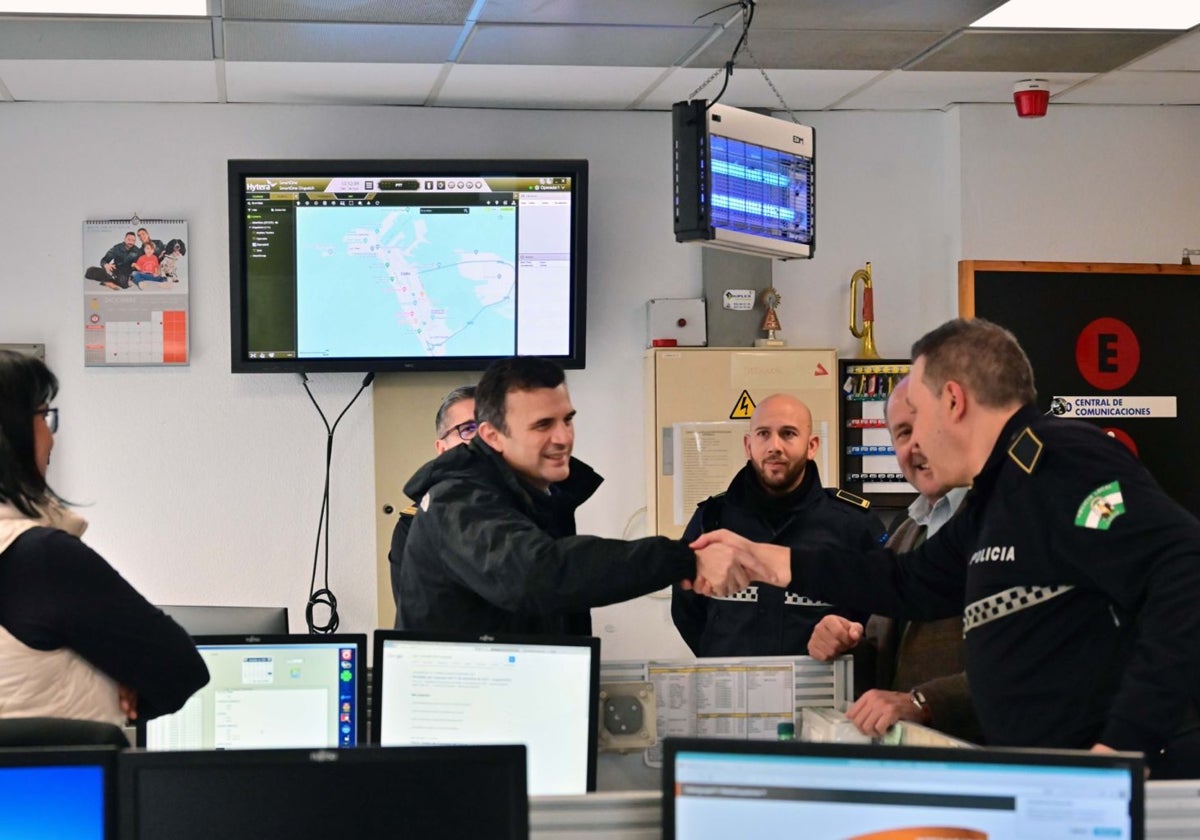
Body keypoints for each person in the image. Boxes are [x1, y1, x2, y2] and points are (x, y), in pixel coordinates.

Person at [693, 318, 1200, 777]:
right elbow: (907, 581)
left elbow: (1184, 567)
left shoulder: (1061, 462)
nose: (911, 444)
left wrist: (1124, 746)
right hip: (1050, 777)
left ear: (953, 402)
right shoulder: (994, 498)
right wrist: (765, 560)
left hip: (1127, 783)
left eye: (918, 411)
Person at [396, 356, 746, 635]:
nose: (564, 438)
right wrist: (684, 559)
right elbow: (539, 576)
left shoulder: (536, 495)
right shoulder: (457, 500)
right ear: (492, 436)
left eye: (567, 420)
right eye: (542, 425)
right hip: (462, 715)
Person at [0, 350, 208, 726]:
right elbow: (180, 671)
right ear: (11, 433)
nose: (51, 437)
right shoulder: (41, 559)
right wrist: (118, 681)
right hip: (58, 783)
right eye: (43, 415)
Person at [807, 376, 979, 741]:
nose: (914, 445)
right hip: (916, 758)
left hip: (991, 765)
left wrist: (923, 702)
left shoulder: (1007, 523)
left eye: (924, 426)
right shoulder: (906, 531)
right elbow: (882, 651)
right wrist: (846, 645)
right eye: (901, 433)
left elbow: (1031, 659)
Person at [671, 394, 883, 657]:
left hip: (821, 691)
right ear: (748, 445)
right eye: (763, 434)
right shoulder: (711, 520)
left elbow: (880, 617)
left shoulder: (854, 524)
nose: (775, 446)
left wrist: (850, 640)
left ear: (812, 445)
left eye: (788, 433)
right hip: (732, 691)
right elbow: (686, 609)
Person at [388, 384, 476, 626]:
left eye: (493, 427)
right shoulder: (414, 523)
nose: (482, 439)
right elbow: (418, 620)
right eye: (468, 428)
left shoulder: (532, 506)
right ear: (442, 448)